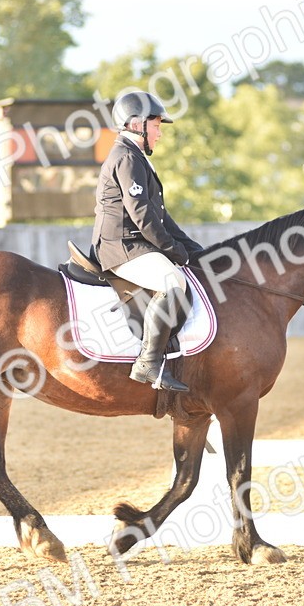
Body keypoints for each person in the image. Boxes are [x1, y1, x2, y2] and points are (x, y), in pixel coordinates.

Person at [92, 91, 203, 393]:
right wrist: (172, 251)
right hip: (121, 246)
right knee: (171, 281)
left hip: (133, 244)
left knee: (182, 276)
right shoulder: (127, 157)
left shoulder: (136, 157)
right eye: (156, 126)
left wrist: (193, 250)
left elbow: (162, 218)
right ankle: (148, 362)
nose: (160, 134)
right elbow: (142, 215)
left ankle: (167, 353)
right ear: (137, 124)